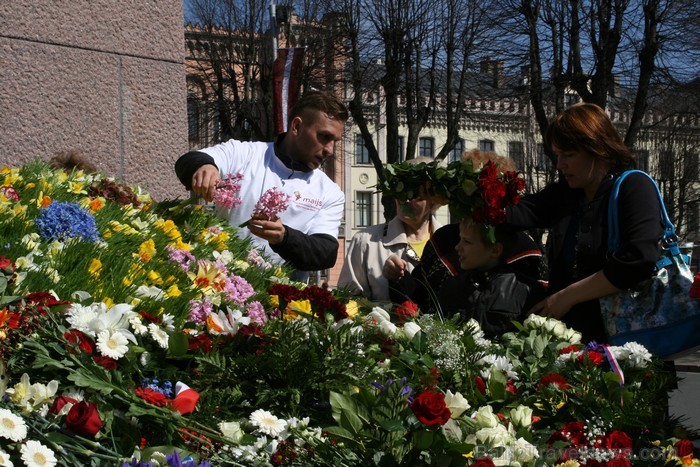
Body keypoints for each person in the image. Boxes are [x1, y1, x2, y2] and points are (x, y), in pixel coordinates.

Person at [507, 102, 664, 343]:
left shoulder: (634, 187)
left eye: (568, 155)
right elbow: (517, 213)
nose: (560, 164)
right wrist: (462, 190)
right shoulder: (567, 195)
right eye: (557, 155)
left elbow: (638, 260)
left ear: (597, 149)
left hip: (631, 347)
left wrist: (566, 297)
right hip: (575, 345)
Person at [175, 90, 349, 282]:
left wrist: (284, 238)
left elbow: (326, 252)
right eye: (324, 137)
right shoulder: (246, 154)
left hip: (279, 299)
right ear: (297, 126)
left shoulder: (330, 192)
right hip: (217, 283)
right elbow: (190, 159)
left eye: (335, 141)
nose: (330, 150)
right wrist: (204, 167)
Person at [388, 150, 547, 320]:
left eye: (477, 196)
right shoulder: (445, 239)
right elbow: (418, 299)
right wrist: (398, 278)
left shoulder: (525, 249)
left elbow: (539, 310)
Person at [337, 157, 442, 302]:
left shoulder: (450, 243)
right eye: (401, 191)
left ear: (433, 200)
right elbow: (347, 302)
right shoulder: (366, 242)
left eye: (414, 194)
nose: (405, 200)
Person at [449, 219, 546, 338]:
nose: (457, 247)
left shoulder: (527, 293)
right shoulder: (453, 286)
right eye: (460, 239)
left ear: (495, 250)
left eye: (467, 242)